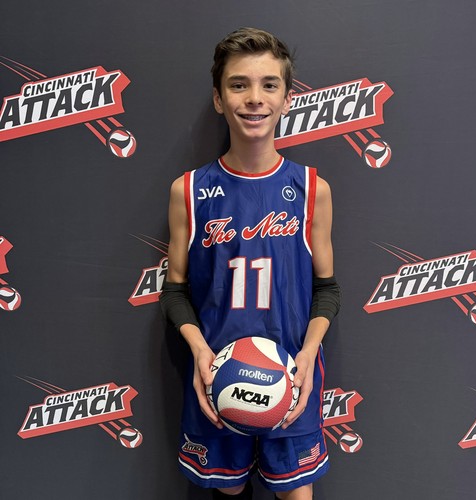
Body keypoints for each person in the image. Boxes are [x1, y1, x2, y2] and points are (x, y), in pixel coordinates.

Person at [160, 27, 340, 500]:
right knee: (227, 493)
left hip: (293, 382)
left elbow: (327, 289)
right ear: (218, 99)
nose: (254, 98)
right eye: (238, 85)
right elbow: (175, 291)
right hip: (217, 382)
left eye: (269, 85)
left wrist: (308, 353)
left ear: (286, 98)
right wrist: (200, 351)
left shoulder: (312, 190)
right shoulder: (189, 191)